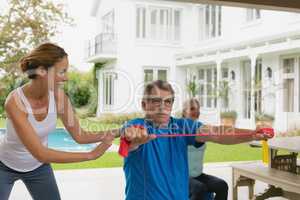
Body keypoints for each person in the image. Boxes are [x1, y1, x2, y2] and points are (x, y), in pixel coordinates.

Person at [0, 43, 119, 200]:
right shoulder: (15, 101)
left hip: (38, 168)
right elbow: (41, 153)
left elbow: (80, 135)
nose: (66, 77)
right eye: (62, 71)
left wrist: (120, 131)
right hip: (4, 165)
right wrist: (91, 155)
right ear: (42, 71)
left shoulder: (59, 98)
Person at [121, 80, 272, 200]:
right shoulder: (136, 126)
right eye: (156, 101)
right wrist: (134, 139)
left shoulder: (183, 126)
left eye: (168, 102)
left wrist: (252, 134)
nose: (162, 107)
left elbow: (216, 133)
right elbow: (130, 140)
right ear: (144, 105)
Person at [183, 98, 228, 200]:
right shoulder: (179, 129)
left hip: (198, 175)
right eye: (192, 109)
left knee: (222, 185)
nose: (196, 112)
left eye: (198, 109)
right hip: (181, 177)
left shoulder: (202, 128)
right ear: (184, 111)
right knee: (199, 188)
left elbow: (219, 135)